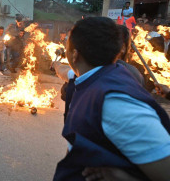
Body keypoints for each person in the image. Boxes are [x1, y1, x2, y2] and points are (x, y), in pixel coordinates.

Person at [53, 17, 170, 181]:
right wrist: (56, 65)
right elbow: (65, 72)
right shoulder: (99, 74)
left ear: (74, 54)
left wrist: (122, 178)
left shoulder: (117, 103)